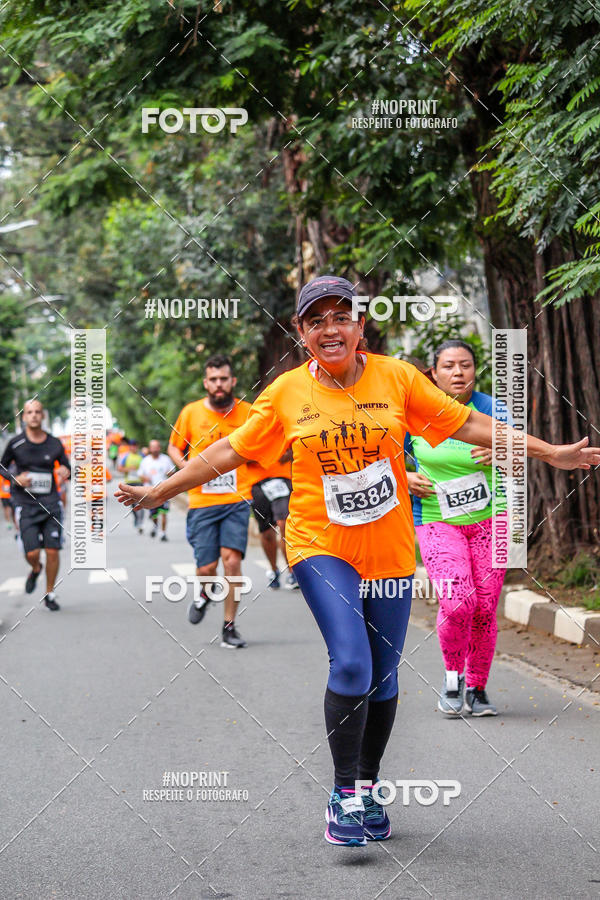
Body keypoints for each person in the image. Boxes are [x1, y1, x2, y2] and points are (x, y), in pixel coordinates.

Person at [116, 274, 600, 848]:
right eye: (315, 320)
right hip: (320, 543)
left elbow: (468, 423)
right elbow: (228, 449)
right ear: (301, 332)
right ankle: (344, 794)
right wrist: (158, 493)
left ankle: (367, 785)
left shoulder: (397, 378)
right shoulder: (288, 392)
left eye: (340, 316)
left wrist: (550, 452)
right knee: (351, 665)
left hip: (390, 551)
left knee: (385, 676)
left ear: (359, 324)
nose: (330, 328)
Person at [405, 339, 512, 717]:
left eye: (465, 365)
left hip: (491, 519)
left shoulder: (492, 410)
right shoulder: (415, 414)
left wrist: (504, 452)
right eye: (448, 366)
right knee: (457, 601)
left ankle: (478, 688)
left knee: (484, 607)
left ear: (475, 370)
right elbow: (389, 459)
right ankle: (453, 680)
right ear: (433, 373)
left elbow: (518, 457)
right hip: (436, 520)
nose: (458, 372)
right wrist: (405, 476)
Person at [167, 354, 253, 648]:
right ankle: (204, 592)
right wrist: (187, 470)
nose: (218, 385)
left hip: (237, 498)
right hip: (202, 502)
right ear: (206, 383)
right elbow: (174, 446)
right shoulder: (191, 413)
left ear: (233, 381)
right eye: (213, 380)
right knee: (206, 568)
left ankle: (229, 626)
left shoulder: (248, 413)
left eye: (223, 379)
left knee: (232, 561)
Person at [0, 399, 70, 610]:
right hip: (26, 504)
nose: (34, 415)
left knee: (52, 551)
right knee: (31, 553)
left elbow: (67, 467)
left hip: (51, 503)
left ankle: (49, 593)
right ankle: (36, 568)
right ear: (24, 417)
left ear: (43, 416)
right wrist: (15, 478)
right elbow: (2, 466)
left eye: (38, 412)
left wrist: (65, 471)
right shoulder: (16, 443)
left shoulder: (54, 443)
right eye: (29, 412)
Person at [248, 452, 298, 589]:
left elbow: (295, 446)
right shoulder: (246, 430)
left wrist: (287, 454)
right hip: (257, 483)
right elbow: (240, 454)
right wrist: (266, 455)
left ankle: (292, 571)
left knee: (284, 524)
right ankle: (274, 569)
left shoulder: (283, 430)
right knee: (267, 533)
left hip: (282, 479)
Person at [138, 439, 173, 540]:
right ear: (150, 449)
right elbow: (140, 475)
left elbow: (172, 472)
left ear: (159, 448)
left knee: (164, 512)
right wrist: (146, 478)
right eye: (153, 447)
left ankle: (163, 533)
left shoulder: (165, 459)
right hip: (150, 491)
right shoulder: (145, 461)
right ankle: (155, 526)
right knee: (154, 514)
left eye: (156, 447)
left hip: (164, 490)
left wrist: (169, 473)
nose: (155, 449)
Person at [118, 439, 145, 533]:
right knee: (132, 504)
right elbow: (120, 469)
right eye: (132, 446)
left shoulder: (142, 456)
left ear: (137, 447)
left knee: (140, 503)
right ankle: (136, 518)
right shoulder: (126, 456)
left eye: (135, 446)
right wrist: (129, 469)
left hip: (139, 482)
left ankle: (140, 523)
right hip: (129, 483)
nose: (134, 447)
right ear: (130, 447)